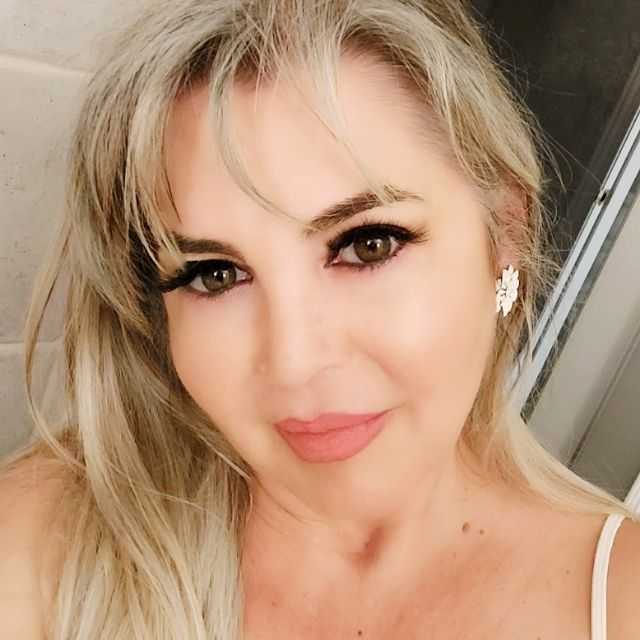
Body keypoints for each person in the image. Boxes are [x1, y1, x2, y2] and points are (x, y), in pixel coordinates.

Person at [0, 1, 638, 638]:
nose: (294, 362)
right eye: (214, 275)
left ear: (505, 236)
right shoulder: (55, 538)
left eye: (369, 245)